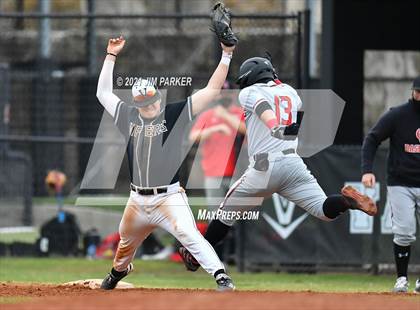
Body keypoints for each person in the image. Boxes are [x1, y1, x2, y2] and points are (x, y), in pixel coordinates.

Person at [179, 55, 378, 272]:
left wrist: (274, 125)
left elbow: (264, 106)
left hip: (264, 166)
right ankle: (347, 202)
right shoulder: (290, 92)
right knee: (323, 210)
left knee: (225, 215)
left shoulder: (249, 92)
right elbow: (289, 109)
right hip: (293, 163)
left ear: (252, 77)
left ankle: (196, 257)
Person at [96, 35, 236, 291]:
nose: (150, 106)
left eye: (152, 101)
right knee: (126, 242)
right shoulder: (127, 116)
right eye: (144, 103)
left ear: (158, 98)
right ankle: (118, 272)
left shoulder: (173, 114)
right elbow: (102, 92)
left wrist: (226, 55)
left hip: (168, 198)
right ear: (137, 103)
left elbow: (211, 91)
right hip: (137, 200)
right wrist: (111, 55)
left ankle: (221, 276)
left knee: (189, 234)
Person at [361, 76, 420, 293]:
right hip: (400, 183)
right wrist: (367, 170)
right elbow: (372, 139)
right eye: (418, 92)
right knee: (404, 232)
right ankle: (402, 279)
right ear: (413, 91)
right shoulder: (398, 115)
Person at [189, 82, 245, 213]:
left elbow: (247, 130)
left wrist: (225, 116)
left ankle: (234, 234)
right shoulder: (207, 115)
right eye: (220, 93)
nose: (223, 96)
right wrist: (214, 129)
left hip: (238, 173)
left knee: (238, 213)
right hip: (213, 173)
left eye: (227, 93)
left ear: (232, 94)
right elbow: (193, 136)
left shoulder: (240, 113)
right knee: (215, 212)